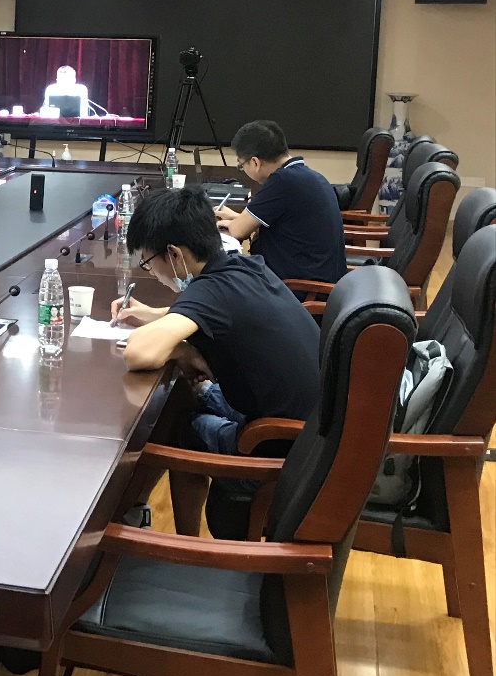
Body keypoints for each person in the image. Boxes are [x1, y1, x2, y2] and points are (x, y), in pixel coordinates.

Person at [110, 187, 322, 538]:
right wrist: (153, 314)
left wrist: (182, 351)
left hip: (279, 450)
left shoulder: (210, 292)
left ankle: (182, 541)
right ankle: (135, 511)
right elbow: (216, 309)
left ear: (174, 254)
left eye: (149, 262)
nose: (151, 272)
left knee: (181, 429)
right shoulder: (243, 265)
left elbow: (139, 353)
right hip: (310, 432)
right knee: (187, 397)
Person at [216, 120, 345, 288]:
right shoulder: (306, 175)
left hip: (298, 287)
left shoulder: (282, 181)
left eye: (241, 165)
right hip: (316, 277)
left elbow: (237, 231)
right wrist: (237, 218)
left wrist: (230, 222)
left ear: (255, 162)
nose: (243, 170)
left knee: (223, 280)